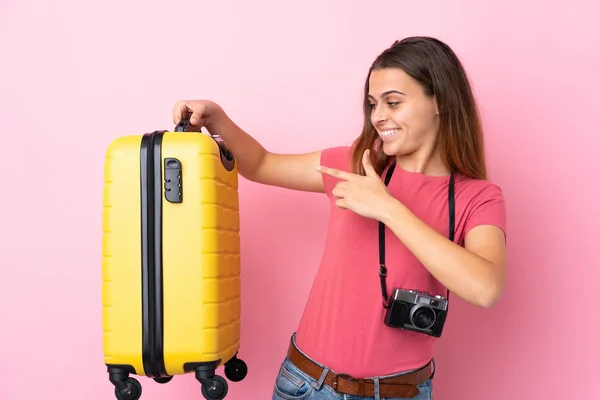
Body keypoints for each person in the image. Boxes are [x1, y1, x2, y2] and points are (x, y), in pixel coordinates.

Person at [172, 36, 507, 400]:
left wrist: (388, 209)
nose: (379, 116)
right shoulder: (354, 165)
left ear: (439, 101)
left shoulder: (478, 197)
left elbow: (485, 287)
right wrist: (217, 116)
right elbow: (262, 163)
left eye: (393, 102)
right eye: (373, 104)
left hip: (402, 392)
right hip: (306, 384)